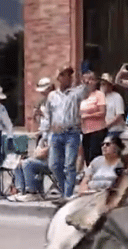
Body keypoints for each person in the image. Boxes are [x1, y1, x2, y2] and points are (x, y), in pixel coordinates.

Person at [46, 67, 85, 199]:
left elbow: (86, 89)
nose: (67, 78)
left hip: (71, 132)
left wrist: (83, 78)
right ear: (59, 78)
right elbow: (48, 115)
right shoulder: (52, 96)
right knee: (54, 165)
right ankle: (64, 189)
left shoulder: (76, 93)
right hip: (56, 133)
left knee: (69, 165)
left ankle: (67, 194)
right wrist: (47, 133)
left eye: (69, 76)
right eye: (64, 75)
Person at [78, 71, 109, 167]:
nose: (88, 82)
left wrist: (87, 116)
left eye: (91, 79)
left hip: (97, 130)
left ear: (95, 82)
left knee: (95, 157)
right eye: (85, 80)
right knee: (87, 157)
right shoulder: (82, 96)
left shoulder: (99, 94)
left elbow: (102, 113)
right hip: (85, 131)